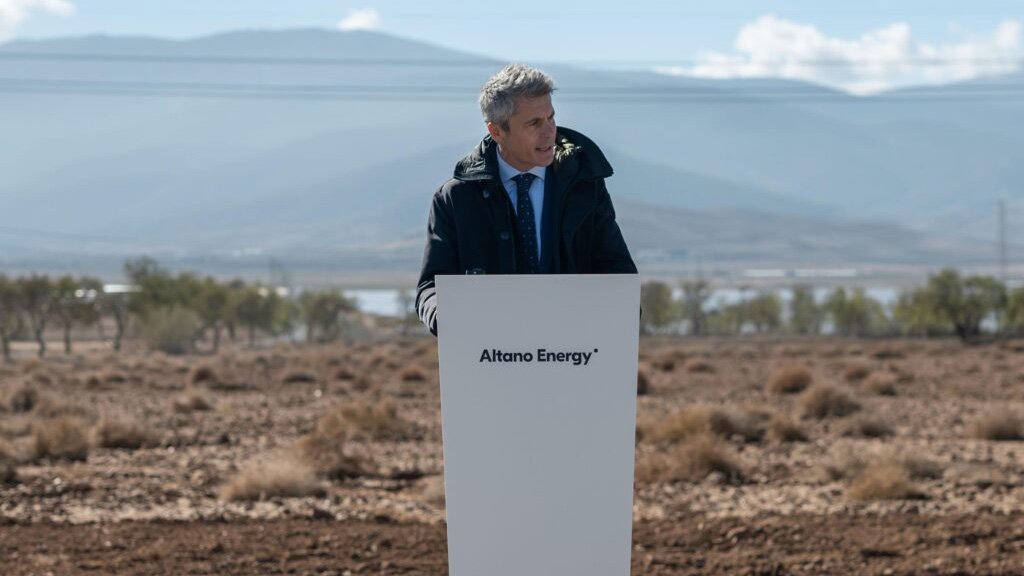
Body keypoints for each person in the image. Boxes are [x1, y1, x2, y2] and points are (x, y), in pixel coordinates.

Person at [415, 63, 637, 336]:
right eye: (534, 123)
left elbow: (618, 274)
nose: (549, 132)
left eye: (551, 118)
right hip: (490, 352)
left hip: (573, 350)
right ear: (497, 131)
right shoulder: (455, 199)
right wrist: (447, 320)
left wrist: (620, 315)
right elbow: (431, 288)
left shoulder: (585, 187)